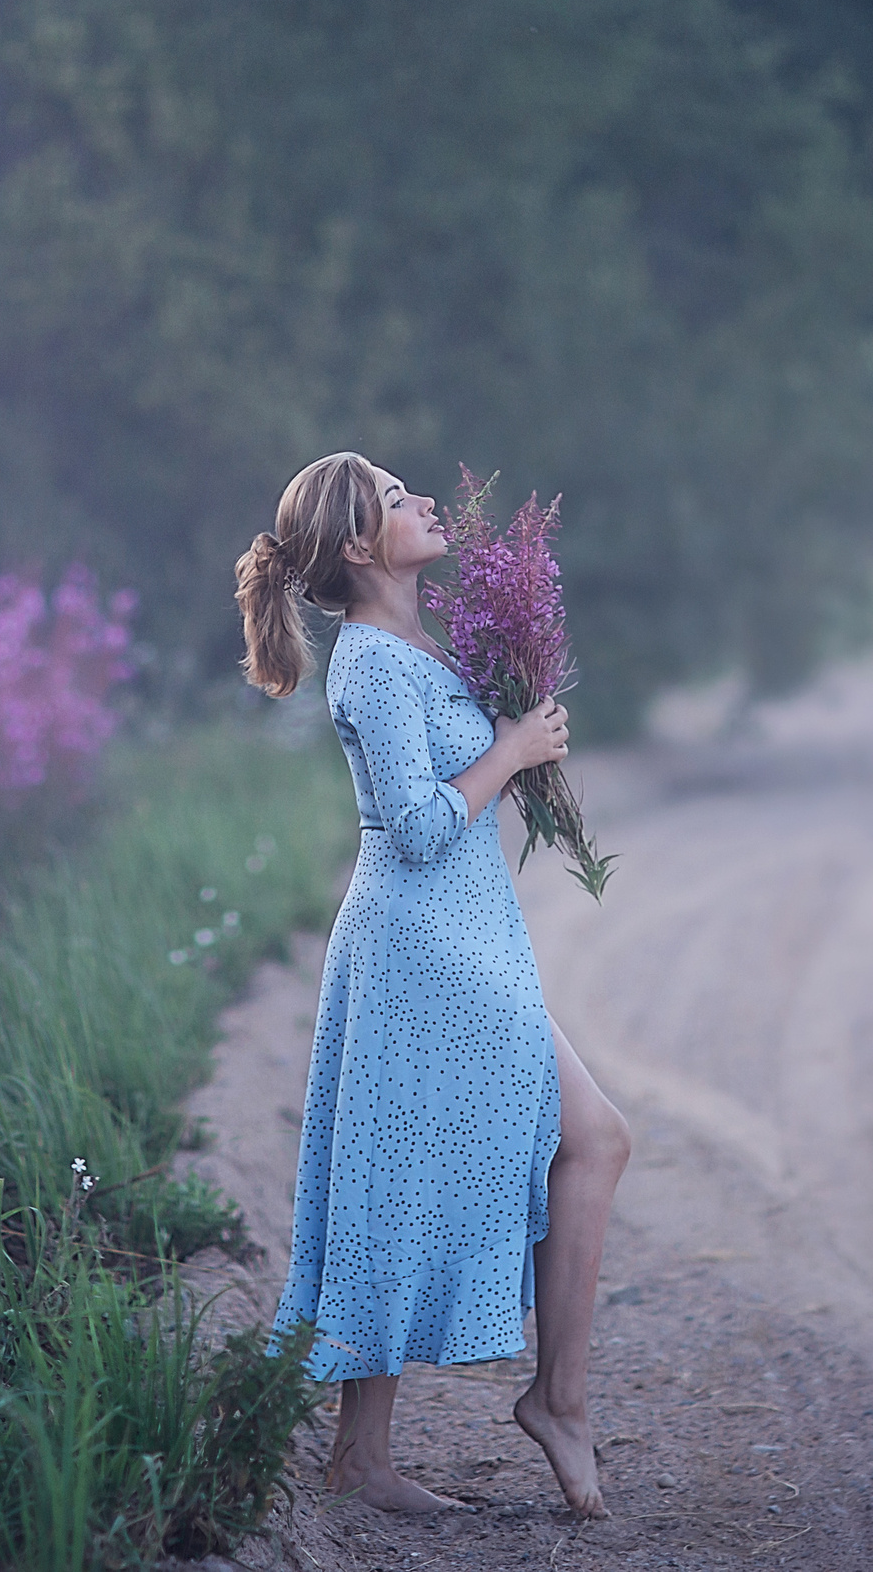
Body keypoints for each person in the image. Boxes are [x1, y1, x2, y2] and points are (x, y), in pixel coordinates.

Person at [233, 451, 632, 1519]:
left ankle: (383, 1450)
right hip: (419, 948)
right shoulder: (368, 661)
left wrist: (522, 744)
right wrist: (511, 751)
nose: (420, 500)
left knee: (408, 1172)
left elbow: (467, 784)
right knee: (580, 1140)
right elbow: (414, 826)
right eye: (394, 496)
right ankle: (547, 1406)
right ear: (360, 545)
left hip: (467, 937)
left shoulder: (427, 645)